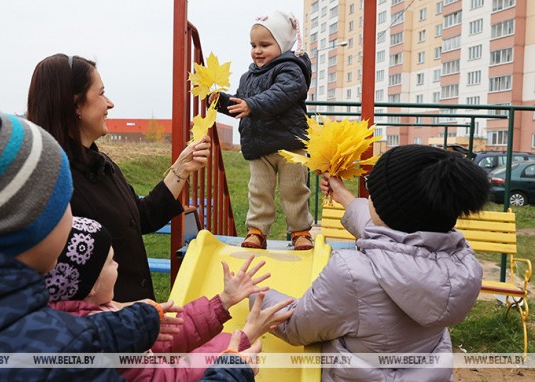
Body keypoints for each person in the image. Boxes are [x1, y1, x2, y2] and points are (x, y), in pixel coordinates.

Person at [0, 109, 251, 381]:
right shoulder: (59, 359)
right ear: (32, 225)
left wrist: (128, 326)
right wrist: (231, 370)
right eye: (64, 206)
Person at [253, 144, 491, 381]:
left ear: (388, 209)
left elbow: (295, 327)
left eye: (372, 192)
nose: (368, 197)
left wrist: (255, 291)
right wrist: (343, 195)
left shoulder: (353, 274)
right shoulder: (458, 264)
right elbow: (391, 237)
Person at [27, 53, 212, 301]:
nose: (110, 104)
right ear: (76, 105)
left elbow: (142, 217)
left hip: (132, 322)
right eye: (101, 94)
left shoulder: (103, 165)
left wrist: (181, 169)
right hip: (106, 330)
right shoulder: (51, 184)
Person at [45, 215, 295, 381]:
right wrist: (239, 344)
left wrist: (222, 302)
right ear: (91, 283)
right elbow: (169, 377)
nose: (118, 264)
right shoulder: (101, 345)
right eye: (111, 260)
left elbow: (164, 341)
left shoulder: (95, 316)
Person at [213, 10, 314, 251]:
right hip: (259, 145)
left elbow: (283, 93)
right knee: (258, 191)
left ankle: (300, 231)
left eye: (265, 45)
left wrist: (252, 104)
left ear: (283, 44)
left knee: (294, 190)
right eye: (253, 45)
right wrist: (220, 101)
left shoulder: (291, 69)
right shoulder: (248, 77)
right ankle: (257, 231)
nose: (257, 50)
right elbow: (242, 104)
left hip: (290, 144)